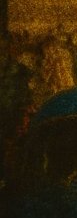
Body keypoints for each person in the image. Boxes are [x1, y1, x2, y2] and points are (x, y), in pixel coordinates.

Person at [1, 32, 33, 180]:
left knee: (13, 148)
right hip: (7, 113)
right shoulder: (11, 69)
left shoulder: (22, 70)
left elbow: (26, 94)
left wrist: (24, 111)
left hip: (14, 113)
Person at [29, 33, 75, 110]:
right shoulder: (44, 62)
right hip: (52, 94)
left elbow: (65, 78)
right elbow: (44, 79)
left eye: (51, 47)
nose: (48, 51)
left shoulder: (61, 59)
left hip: (61, 92)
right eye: (47, 48)